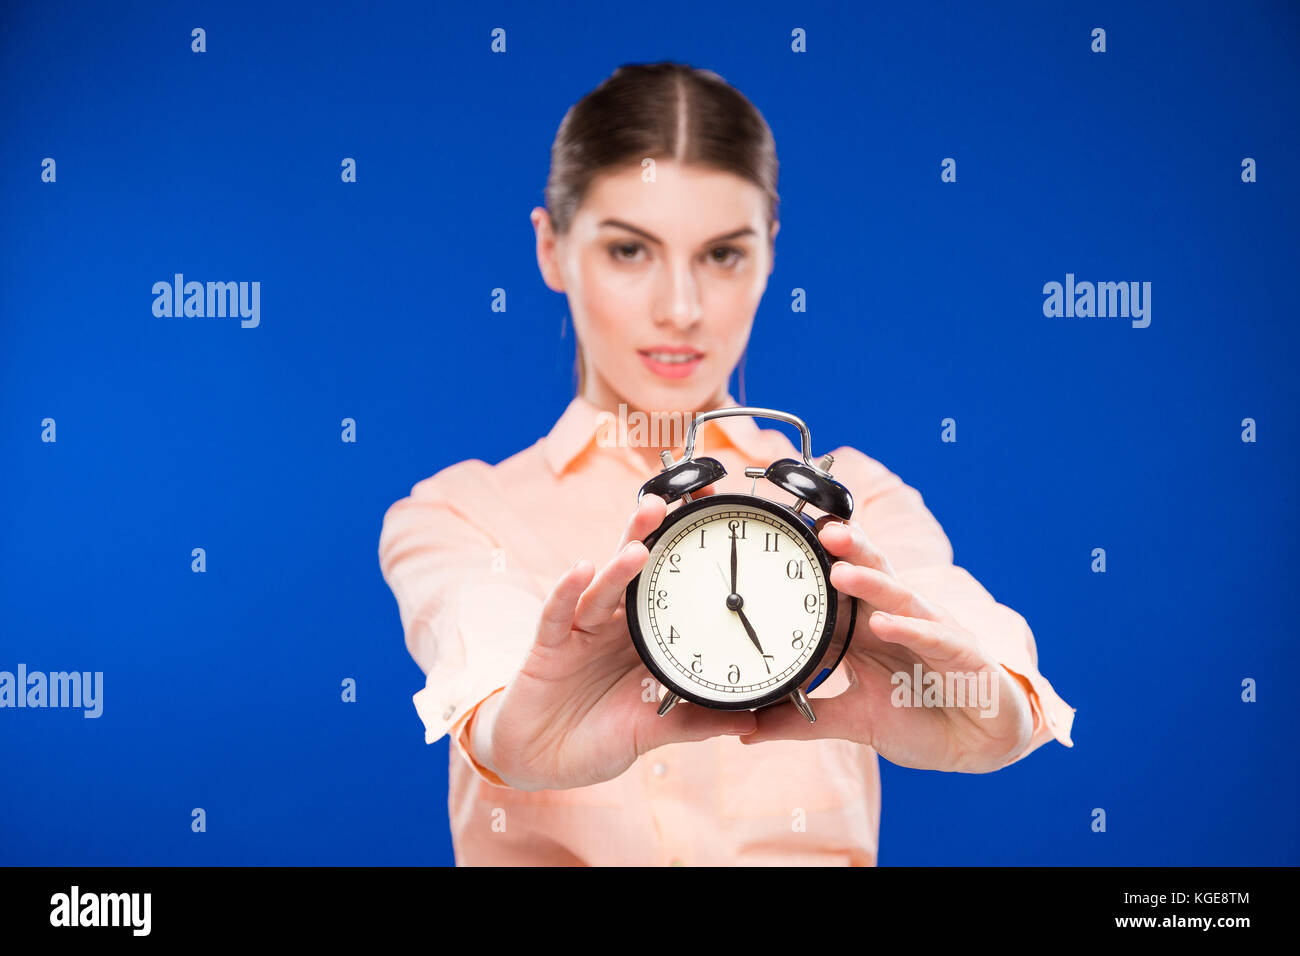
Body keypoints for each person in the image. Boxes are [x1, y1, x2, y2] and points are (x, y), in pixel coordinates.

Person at [378, 61, 1075, 866]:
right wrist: (522, 734)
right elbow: (484, 660)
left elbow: (967, 623)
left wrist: (990, 707)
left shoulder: (859, 502)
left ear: (769, 254)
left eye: (722, 255)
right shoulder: (459, 514)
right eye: (629, 250)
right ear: (550, 247)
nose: (680, 307)